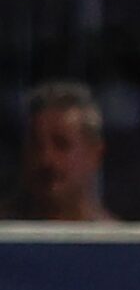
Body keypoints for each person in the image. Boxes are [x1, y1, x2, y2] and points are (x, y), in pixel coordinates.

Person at [6, 80, 115, 224]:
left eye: (62, 145)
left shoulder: (116, 241)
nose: (46, 159)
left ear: (95, 153)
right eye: (36, 145)